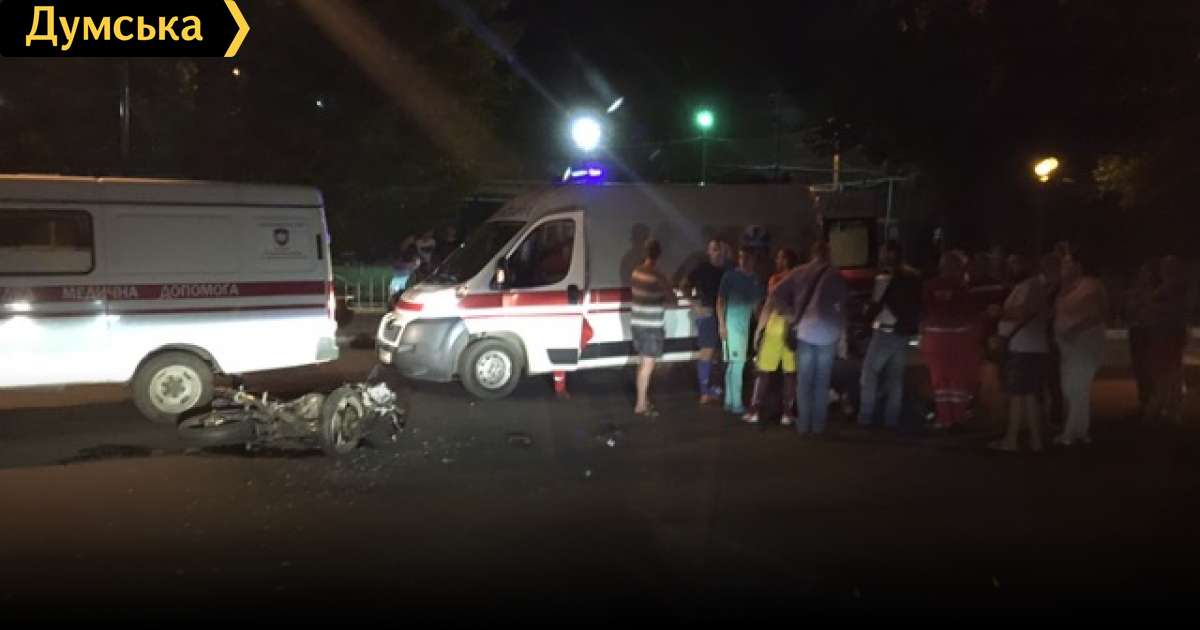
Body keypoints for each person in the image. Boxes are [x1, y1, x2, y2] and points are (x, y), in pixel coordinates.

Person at [773, 239, 849, 436]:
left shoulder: (798, 272)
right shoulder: (836, 276)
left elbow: (776, 292)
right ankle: (818, 425)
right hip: (828, 334)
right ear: (828, 254)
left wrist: (790, 314)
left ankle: (804, 424)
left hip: (804, 331)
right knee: (822, 382)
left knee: (804, 381)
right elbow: (842, 307)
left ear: (813, 253)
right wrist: (843, 336)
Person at [856, 239, 922, 432]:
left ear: (891, 254)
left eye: (883, 252)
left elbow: (878, 303)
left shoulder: (886, 277)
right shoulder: (914, 276)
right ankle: (891, 419)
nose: (880, 256)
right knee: (895, 378)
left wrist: (868, 313)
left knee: (869, 372)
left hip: (886, 329)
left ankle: (866, 416)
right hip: (904, 331)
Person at [987, 253, 1051, 452]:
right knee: (1027, 395)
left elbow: (1023, 312)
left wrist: (1000, 312)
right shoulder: (1031, 285)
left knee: (1017, 395)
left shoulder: (1030, 286)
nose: (1011, 267)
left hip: (1024, 347)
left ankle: (1012, 440)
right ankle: (1034, 439)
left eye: (1015, 263)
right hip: (1028, 346)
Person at [1052, 245, 1109, 446]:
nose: (1064, 265)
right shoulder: (1070, 285)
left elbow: (1098, 313)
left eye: (1068, 262)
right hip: (1067, 345)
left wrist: (1075, 329)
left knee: (1075, 386)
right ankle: (1080, 430)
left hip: (1084, 343)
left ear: (1079, 265)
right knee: (1072, 387)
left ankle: (1072, 432)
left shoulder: (1090, 286)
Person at [920, 250, 982, 430]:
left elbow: (924, 313)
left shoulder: (929, 286)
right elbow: (970, 315)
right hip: (959, 340)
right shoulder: (962, 288)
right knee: (958, 381)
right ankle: (958, 417)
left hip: (934, 340)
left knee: (940, 381)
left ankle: (944, 418)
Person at [745, 247, 800, 425]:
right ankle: (787, 413)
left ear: (785, 260)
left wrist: (758, 331)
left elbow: (769, 305)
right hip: (793, 328)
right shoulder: (801, 279)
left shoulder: (776, 279)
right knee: (790, 373)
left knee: (763, 371)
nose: (776, 261)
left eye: (779, 258)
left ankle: (754, 410)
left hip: (775, 327)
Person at [717, 244, 767, 416]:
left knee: (734, 364)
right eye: (740, 257)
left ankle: (730, 401)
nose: (742, 261)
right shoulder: (730, 276)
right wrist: (722, 324)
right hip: (733, 325)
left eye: (746, 258)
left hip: (742, 326)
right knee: (737, 364)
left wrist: (761, 325)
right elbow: (720, 301)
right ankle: (736, 403)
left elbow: (757, 306)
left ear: (753, 259)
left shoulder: (755, 280)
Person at [680, 238, 729, 404]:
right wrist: (695, 304)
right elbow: (683, 284)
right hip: (708, 314)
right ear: (708, 252)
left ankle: (717, 387)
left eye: (719, 248)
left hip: (727, 315)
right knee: (706, 351)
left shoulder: (728, 268)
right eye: (714, 249)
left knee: (723, 353)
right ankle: (704, 391)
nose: (717, 252)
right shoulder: (702, 269)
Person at [630, 238, 674, 418]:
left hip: (636, 323)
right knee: (648, 365)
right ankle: (641, 405)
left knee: (642, 363)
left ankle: (643, 398)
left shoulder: (636, 272)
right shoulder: (659, 276)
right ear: (659, 254)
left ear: (644, 252)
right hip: (652, 325)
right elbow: (673, 301)